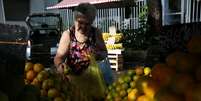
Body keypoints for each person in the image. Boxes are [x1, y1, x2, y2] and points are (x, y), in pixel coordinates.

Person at [54, 3, 111, 101]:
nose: (83, 26)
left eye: (87, 23)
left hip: (94, 83)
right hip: (73, 85)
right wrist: (60, 65)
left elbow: (104, 52)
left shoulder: (96, 33)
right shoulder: (68, 35)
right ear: (75, 20)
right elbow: (59, 57)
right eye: (80, 22)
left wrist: (99, 55)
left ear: (92, 22)